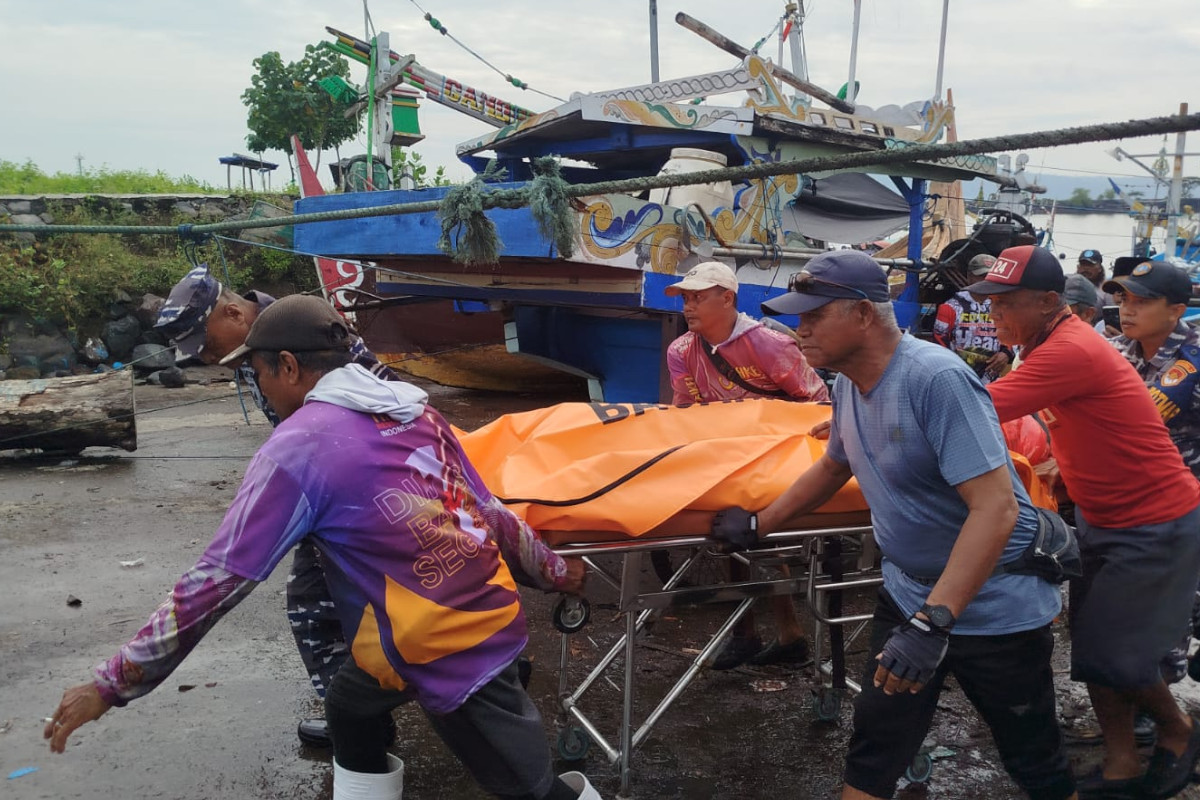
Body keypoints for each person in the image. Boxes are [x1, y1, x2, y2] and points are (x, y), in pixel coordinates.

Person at [46, 295, 599, 800]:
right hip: (456, 617)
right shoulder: (415, 411)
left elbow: (215, 582)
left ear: (288, 366)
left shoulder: (296, 449)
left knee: (531, 790)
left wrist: (112, 682)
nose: (259, 387)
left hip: (447, 644)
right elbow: (490, 511)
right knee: (349, 705)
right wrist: (553, 571)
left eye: (258, 372)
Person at [710, 250, 1076, 800]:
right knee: (875, 750)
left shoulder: (936, 380)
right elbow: (835, 465)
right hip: (908, 595)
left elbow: (996, 508)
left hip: (994, 609)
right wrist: (761, 523)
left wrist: (934, 623)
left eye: (814, 315)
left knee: (1034, 761)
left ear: (863, 314)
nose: (799, 330)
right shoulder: (848, 383)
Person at [972, 245, 1200, 799]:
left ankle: (1177, 730)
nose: (993, 313)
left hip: (1154, 521)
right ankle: (1121, 762)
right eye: (990, 302)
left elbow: (975, 407)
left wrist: (878, 408)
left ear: (1048, 302)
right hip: (1103, 517)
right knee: (1092, 649)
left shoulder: (1070, 349)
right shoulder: (1048, 345)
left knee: (1120, 652)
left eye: (1005, 303)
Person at [154, 263, 394, 747]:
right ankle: (364, 719)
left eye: (205, 343)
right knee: (330, 605)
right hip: (324, 493)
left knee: (326, 606)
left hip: (365, 495)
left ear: (231, 313)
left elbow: (385, 409)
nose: (205, 358)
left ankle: (366, 725)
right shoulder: (251, 350)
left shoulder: (305, 328)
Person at [665, 260, 829, 670]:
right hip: (726, 459)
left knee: (757, 539)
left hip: (777, 458)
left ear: (727, 299)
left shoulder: (769, 343)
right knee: (729, 537)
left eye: (698, 297)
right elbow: (686, 411)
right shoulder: (681, 350)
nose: (688, 306)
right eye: (685, 298)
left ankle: (774, 634)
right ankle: (757, 633)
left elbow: (817, 402)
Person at [1103, 261, 1200, 690]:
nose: (1127, 309)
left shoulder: (1194, 358)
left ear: (1176, 310)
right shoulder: (1114, 352)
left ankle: (1156, 705)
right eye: (1123, 298)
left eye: (1142, 301)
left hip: (1182, 505)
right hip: (1129, 502)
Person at [932, 253, 1012, 383]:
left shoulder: (1004, 307)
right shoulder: (950, 307)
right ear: (969, 276)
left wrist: (1006, 354)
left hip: (993, 379)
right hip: (958, 377)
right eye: (981, 276)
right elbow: (939, 343)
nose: (986, 281)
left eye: (990, 277)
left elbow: (1013, 335)